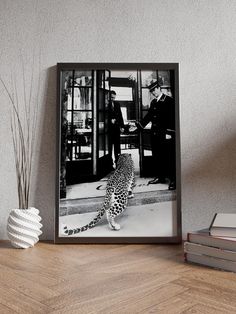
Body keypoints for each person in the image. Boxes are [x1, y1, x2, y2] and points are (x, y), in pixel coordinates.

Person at [135, 81, 176, 190]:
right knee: (157, 157)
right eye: (151, 91)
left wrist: (169, 132)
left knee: (169, 157)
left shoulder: (169, 101)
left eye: (154, 90)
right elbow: (148, 116)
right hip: (155, 134)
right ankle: (160, 177)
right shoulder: (153, 102)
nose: (153, 92)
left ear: (159, 88)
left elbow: (172, 118)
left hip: (165, 134)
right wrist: (138, 126)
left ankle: (173, 180)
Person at [108, 90, 124, 167]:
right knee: (109, 147)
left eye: (114, 97)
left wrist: (122, 126)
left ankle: (118, 162)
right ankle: (109, 163)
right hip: (109, 129)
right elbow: (103, 115)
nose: (112, 99)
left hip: (116, 128)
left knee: (117, 146)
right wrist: (109, 120)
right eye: (111, 97)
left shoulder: (117, 104)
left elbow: (120, 116)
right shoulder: (106, 104)